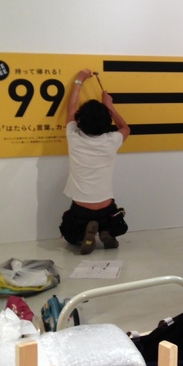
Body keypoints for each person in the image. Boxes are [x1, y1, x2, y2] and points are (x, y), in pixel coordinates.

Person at [59, 69, 131, 255]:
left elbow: (71, 108)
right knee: (115, 223)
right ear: (107, 122)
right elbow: (125, 128)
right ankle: (105, 229)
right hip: (106, 207)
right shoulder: (112, 140)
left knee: (70, 236)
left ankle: (87, 231)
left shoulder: (73, 136)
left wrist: (79, 81)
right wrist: (109, 105)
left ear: (80, 121)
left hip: (81, 208)